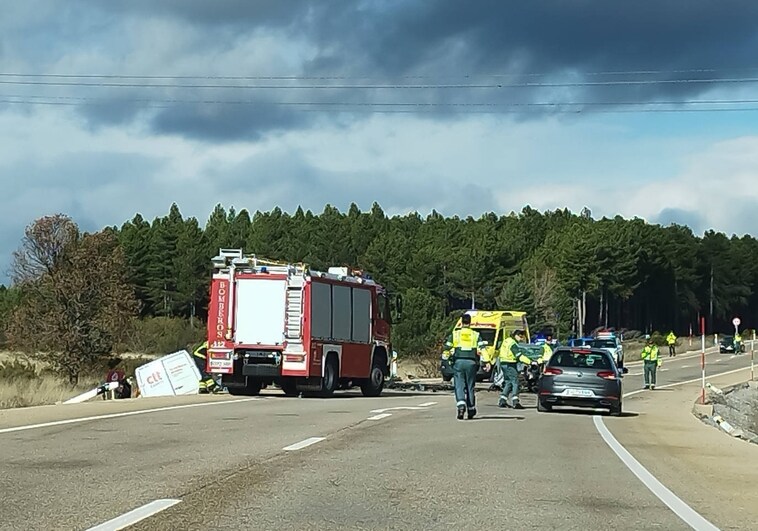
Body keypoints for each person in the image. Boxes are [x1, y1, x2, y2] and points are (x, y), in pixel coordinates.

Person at [443, 313, 485, 420]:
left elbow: (447, 348)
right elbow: (482, 349)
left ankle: (461, 406)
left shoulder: (455, 334)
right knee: (470, 386)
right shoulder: (475, 335)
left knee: (459, 385)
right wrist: (487, 362)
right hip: (471, 362)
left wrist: (445, 360)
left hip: (458, 362)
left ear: (461, 322)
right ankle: (471, 408)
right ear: (470, 322)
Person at [497, 329, 534, 409]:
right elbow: (519, 356)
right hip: (510, 364)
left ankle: (502, 400)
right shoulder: (513, 344)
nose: (521, 339)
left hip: (503, 363)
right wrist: (530, 362)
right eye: (520, 336)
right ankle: (515, 402)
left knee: (508, 382)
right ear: (515, 335)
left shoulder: (506, 341)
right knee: (515, 381)